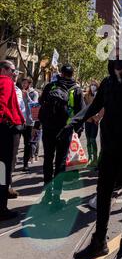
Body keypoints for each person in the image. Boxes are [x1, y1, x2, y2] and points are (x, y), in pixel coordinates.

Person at [61, 8, 122, 259]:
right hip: (109, 149)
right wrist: (73, 122)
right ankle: (99, 241)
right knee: (102, 194)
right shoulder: (107, 83)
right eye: (114, 54)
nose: (118, 58)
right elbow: (93, 106)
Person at [38, 64, 85, 209]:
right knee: (60, 164)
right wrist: (78, 130)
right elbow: (80, 112)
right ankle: (56, 198)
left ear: (61, 73)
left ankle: (47, 195)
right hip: (65, 130)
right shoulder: (76, 90)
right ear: (72, 74)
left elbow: (40, 102)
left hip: (48, 130)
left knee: (47, 161)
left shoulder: (50, 86)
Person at [0, 60, 25, 220]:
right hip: (7, 131)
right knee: (4, 168)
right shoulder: (6, 82)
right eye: (12, 70)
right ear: (3, 70)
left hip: (7, 128)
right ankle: (1, 208)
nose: (14, 73)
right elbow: (2, 104)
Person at [21, 77, 39, 171]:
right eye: (22, 83)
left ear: (29, 84)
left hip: (29, 122)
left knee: (27, 144)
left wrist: (27, 96)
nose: (23, 84)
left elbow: (35, 105)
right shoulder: (19, 92)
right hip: (20, 121)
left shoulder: (34, 93)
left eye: (25, 83)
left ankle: (25, 164)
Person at [84, 81, 101, 167]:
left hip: (95, 120)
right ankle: (89, 158)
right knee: (88, 139)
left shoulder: (99, 95)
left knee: (92, 139)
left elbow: (101, 107)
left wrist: (97, 117)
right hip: (88, 120)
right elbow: (84, 106)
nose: (93, 86)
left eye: (95, 85)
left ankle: (95, 158)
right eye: (92, 85)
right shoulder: (86, 95)